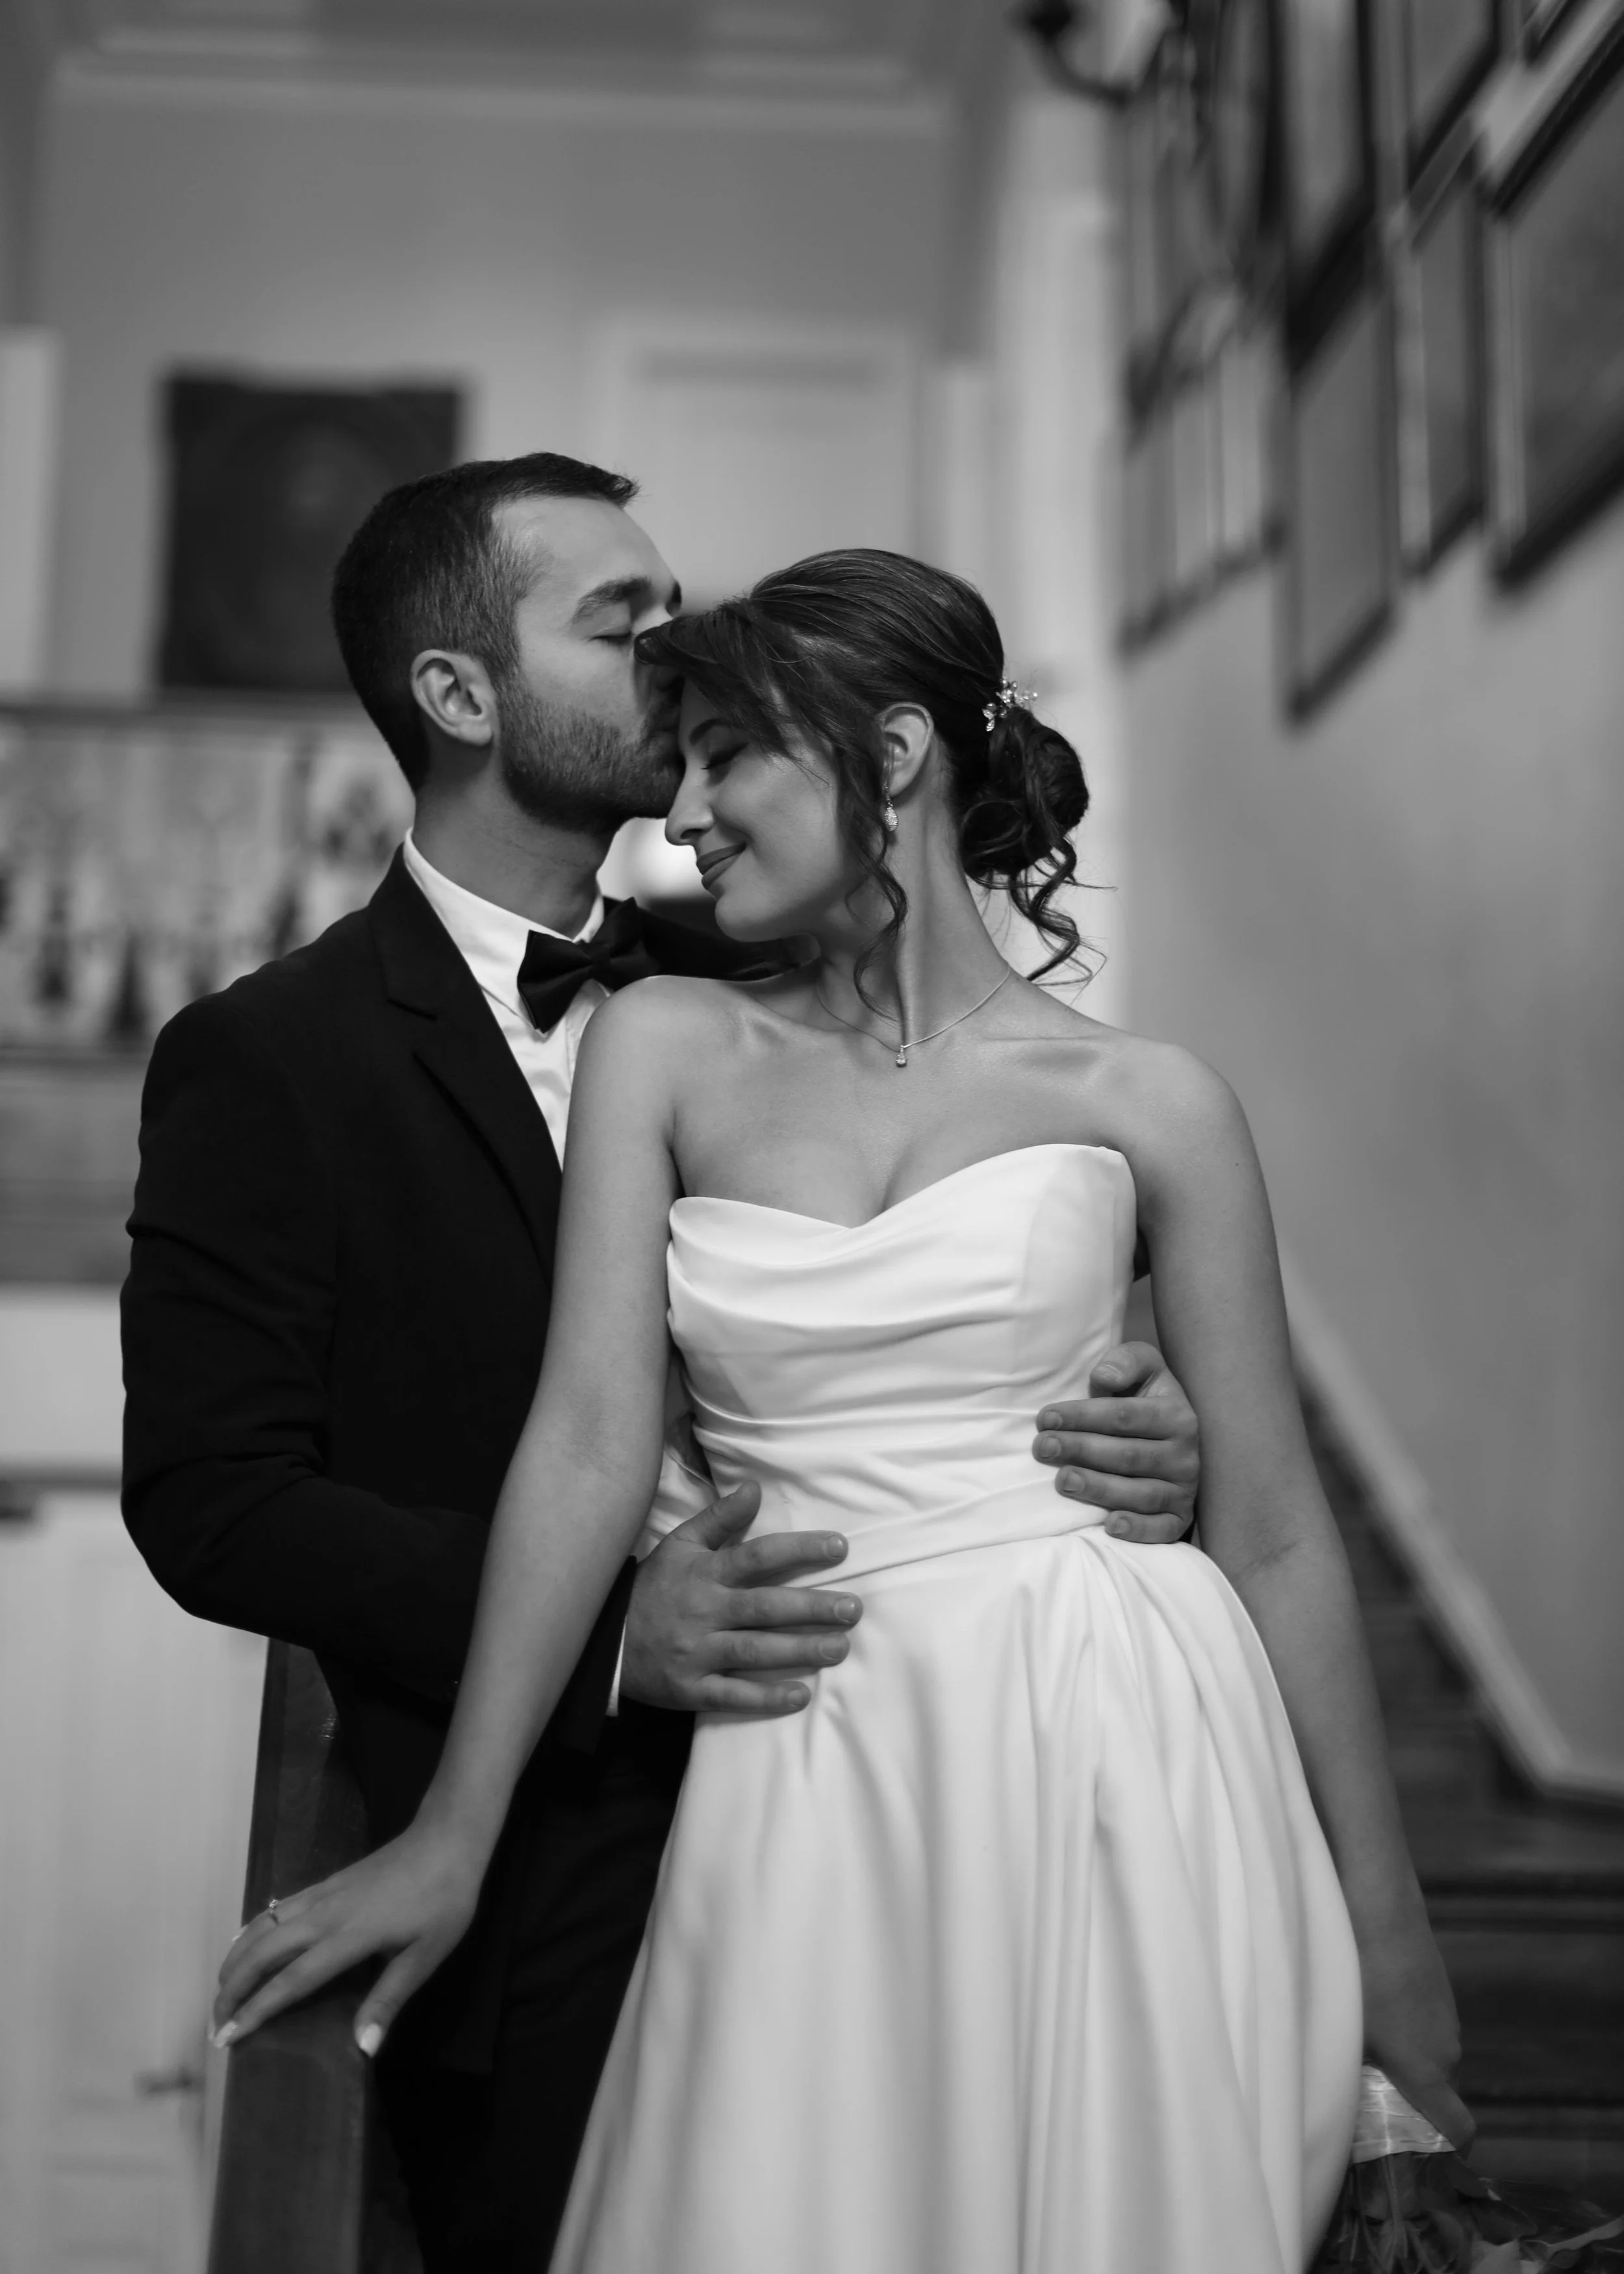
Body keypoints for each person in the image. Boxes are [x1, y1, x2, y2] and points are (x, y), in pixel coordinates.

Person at [212, 546, 1470, 2273]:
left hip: (1111, 1731)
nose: (689, 808)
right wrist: (455, 1825)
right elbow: (583, 1443)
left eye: (732, 752)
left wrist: (1387, 1933)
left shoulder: (1154, 1100)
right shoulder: (663, 1042)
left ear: (888, 756)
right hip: (806, 1755)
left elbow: (1269, 1525)